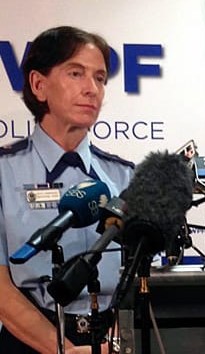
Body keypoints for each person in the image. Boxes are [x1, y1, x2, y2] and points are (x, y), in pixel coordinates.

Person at [0, 26, 134, 353]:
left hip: (111, 342)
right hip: (29, 341)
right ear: (38, 85)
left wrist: (114, 341)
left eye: (100, 78)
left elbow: (140, 278)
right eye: (76, 73)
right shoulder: (4, 172)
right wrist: (63, 350)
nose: (92, 89)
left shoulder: (125, 175)